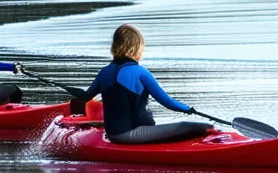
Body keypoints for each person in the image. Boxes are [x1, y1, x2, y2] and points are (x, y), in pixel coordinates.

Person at [70, 24, 212, 144]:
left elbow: (83, 99)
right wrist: (189, 109)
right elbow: (168, 103)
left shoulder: (104, 72)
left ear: (115, 46)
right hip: (131, 135)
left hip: (112, 135)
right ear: (136, 48)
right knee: (193, 126)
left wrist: (78, 97)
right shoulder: (139, 72)